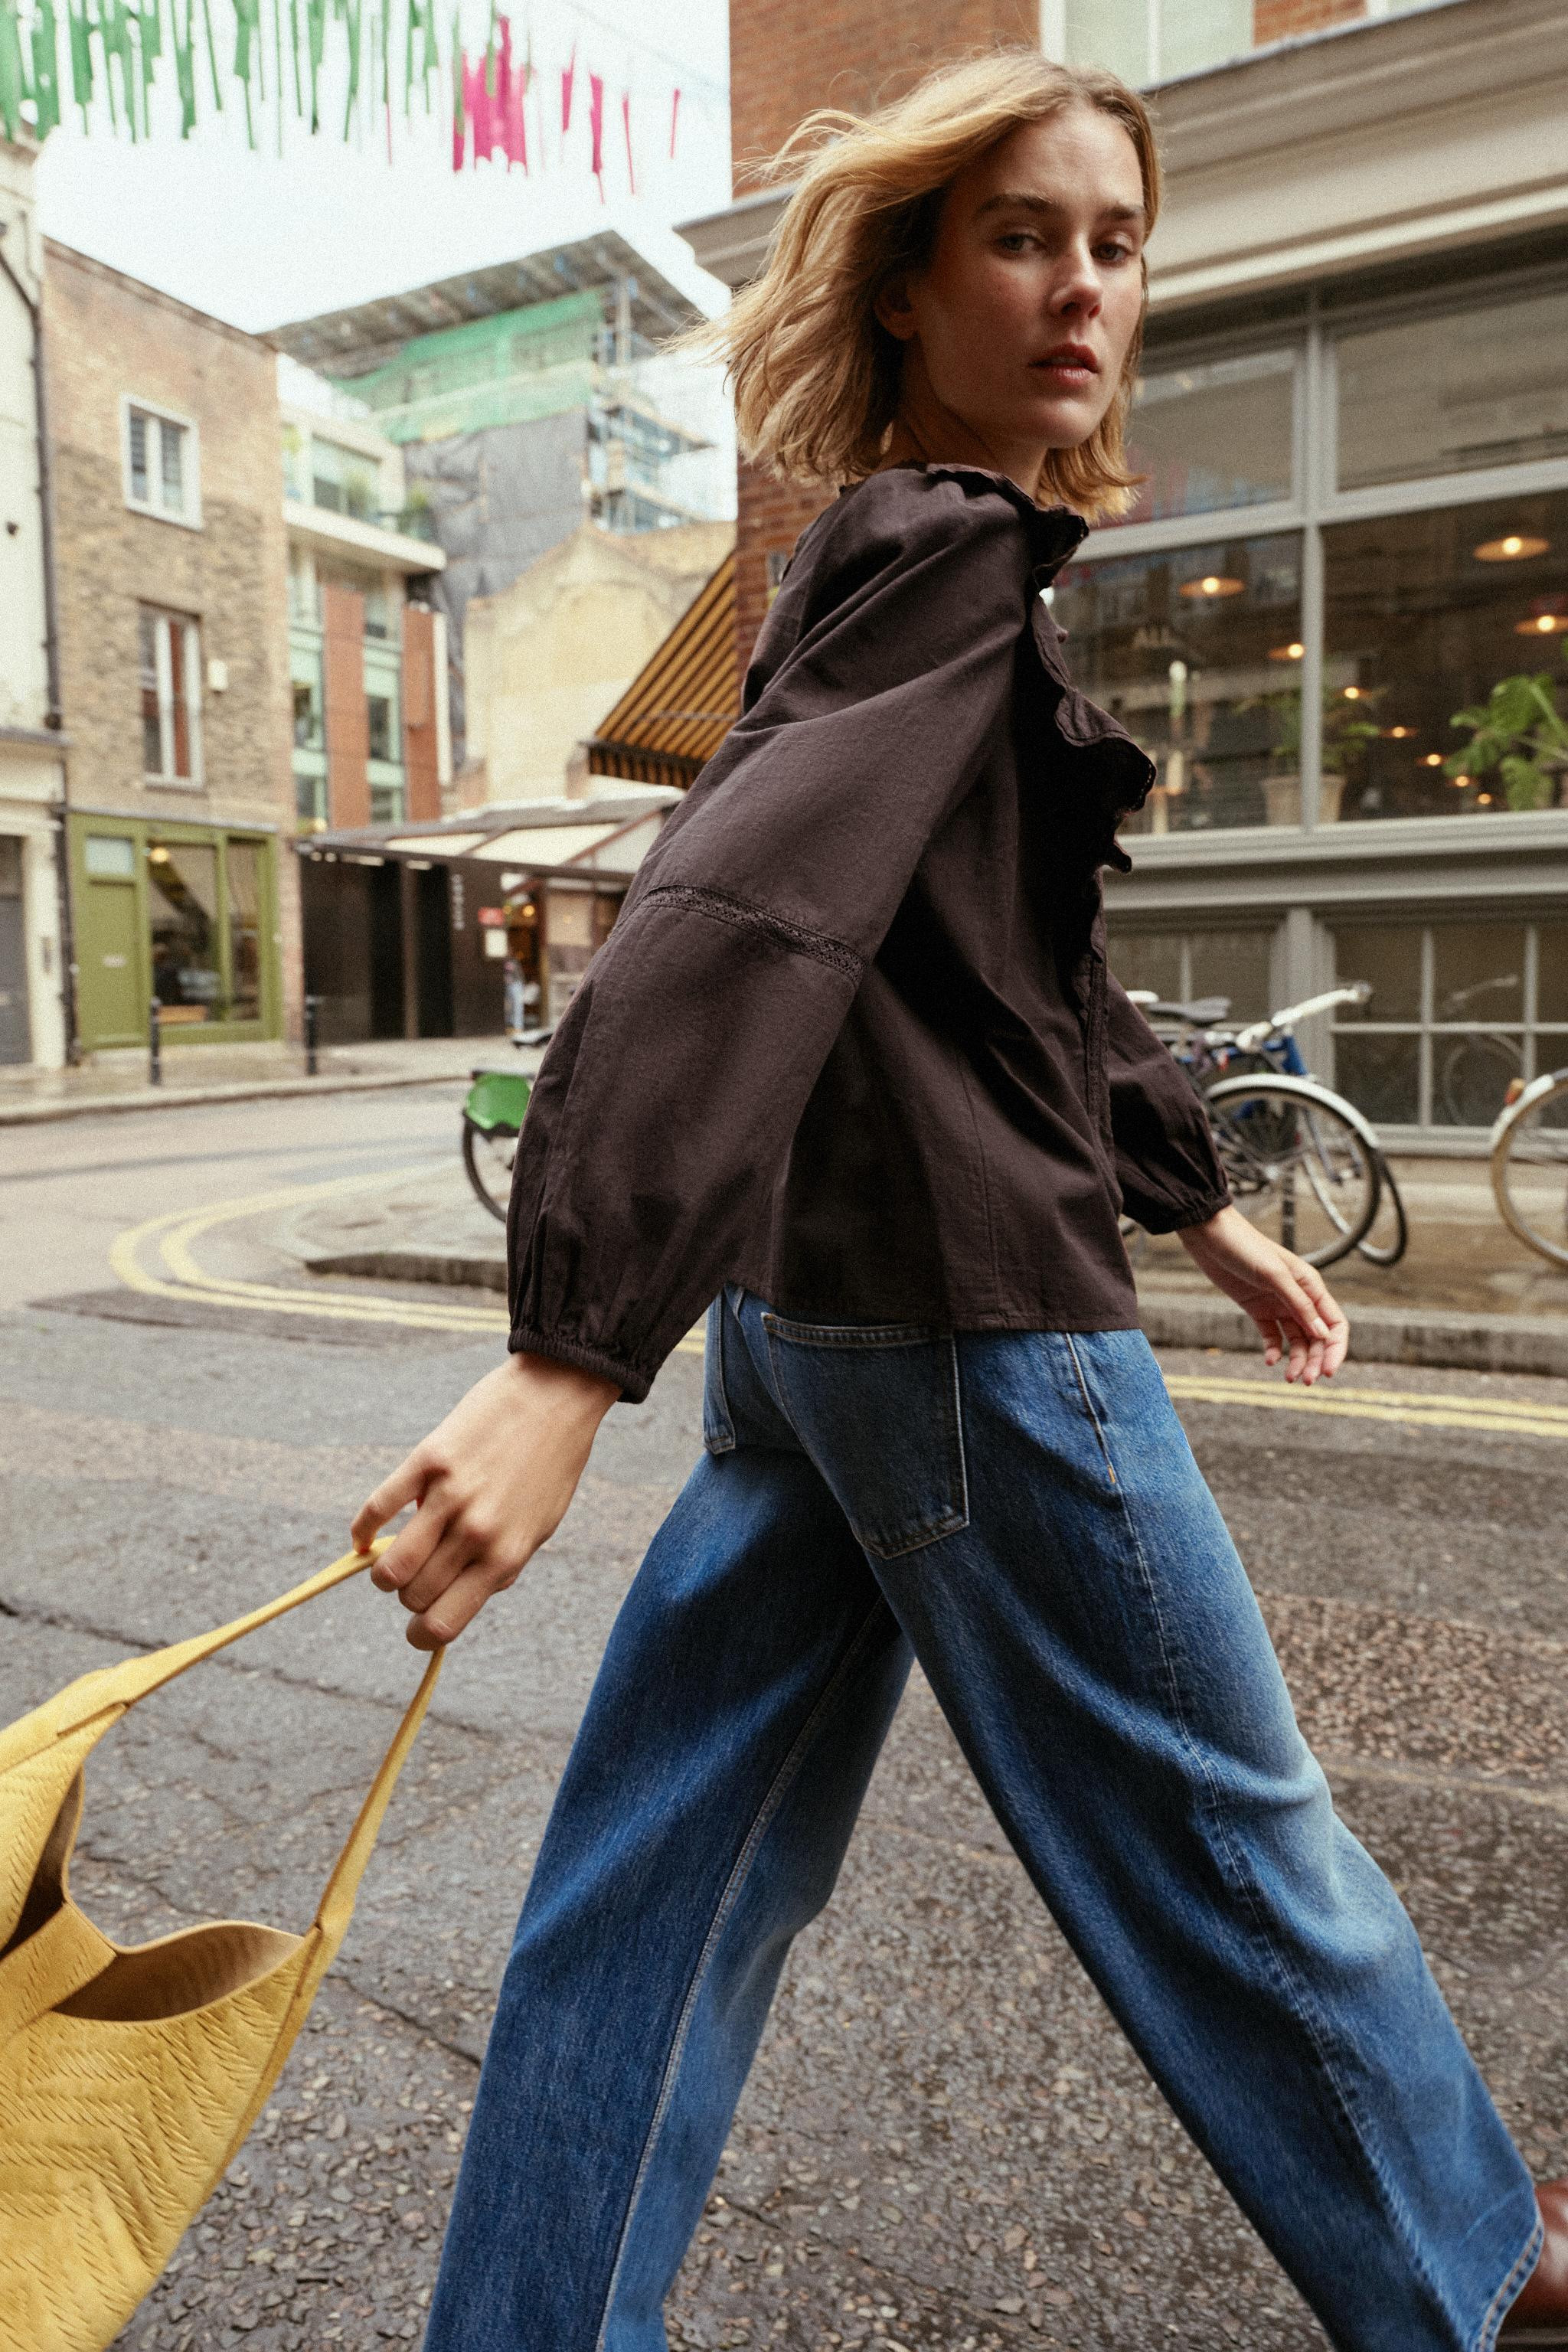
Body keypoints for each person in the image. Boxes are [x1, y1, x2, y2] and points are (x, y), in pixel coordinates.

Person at [351, 49, 1568, 2352]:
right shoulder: (944, 557)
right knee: (1239, 1838)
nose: (1085, 287)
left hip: (817, 1343)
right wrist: (563, 1349)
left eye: (1117, 242)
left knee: (656, 1888)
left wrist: (1196, 1204)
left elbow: (1011, 969)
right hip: (972, 1336)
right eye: (1024, 236)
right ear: (913, 285)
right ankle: (1480, 2269)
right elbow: (730, 909)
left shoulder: (885, 559)